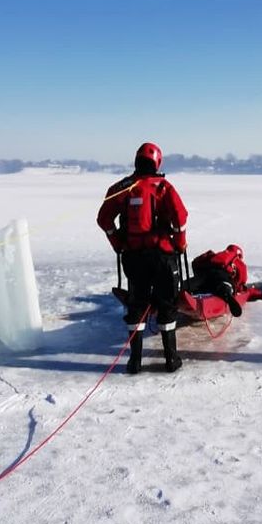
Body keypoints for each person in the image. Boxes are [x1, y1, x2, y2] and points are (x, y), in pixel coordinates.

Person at [96, 142, 188, 374]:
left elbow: (104, 219)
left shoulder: (122, 187)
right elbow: (180, 218)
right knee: (167, 305)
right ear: (157, 163)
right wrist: (180, 243)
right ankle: (171, 359)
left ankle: (134, 362)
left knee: (137, 306)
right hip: (162, 255)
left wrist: (118, 242)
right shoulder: (163, 187)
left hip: (134, 256)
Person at [189, 244, 262, 317]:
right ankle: (227, 295)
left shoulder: (216, 256)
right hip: (221, 277)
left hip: (205, 275)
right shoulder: (238, 262)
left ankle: (185, 289)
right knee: (225, 285)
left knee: (198, 284)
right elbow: (243, 285)